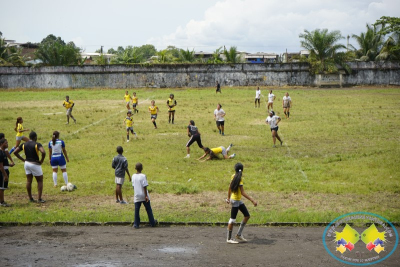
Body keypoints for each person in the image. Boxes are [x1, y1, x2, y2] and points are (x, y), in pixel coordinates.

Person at [226, 163, 257, 244]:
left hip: (237, 200)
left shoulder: (233, 176)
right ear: (242, 170)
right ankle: (229, 238)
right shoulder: (239, 179)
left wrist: (228, 198)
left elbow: (229, 187)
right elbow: (242, 192)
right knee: (232, 220)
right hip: (235, 201)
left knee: (247, 216)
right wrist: (252, 200)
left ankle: (239, 234)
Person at [14, 131, 46, 203]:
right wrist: (41, 161)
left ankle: (30, 198)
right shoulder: (37, 144)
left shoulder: (24, 144)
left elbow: (15, 152)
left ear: (29, 137)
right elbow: (43, 152)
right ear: (35, 137)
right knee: (40, 181)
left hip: (27, 164)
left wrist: (23, 160)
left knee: (29, 181)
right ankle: (39, 198)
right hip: (35, 164)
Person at [132, 162, 157, 228]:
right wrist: (146, 196)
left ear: (135, 168)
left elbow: (133, 186)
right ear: (142, 168)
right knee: (148, 209)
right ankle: (152, 222)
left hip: (137, 195)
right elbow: (144, 186)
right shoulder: (143, 176)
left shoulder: (133, 176)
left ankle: (136, 224)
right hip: (143, 194)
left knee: (137, 210)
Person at [0, 138, 13, 207]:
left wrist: (9, 165)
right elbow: (1, 166)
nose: (7, 144)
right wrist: (5, 175)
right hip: (2, 172)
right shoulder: (0, 153)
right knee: (1, 188)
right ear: (1, 144)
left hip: (5, 170)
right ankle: (2, 202)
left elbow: (4, 163)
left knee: (3, 187)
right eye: (5, 143)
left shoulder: (3, 152)